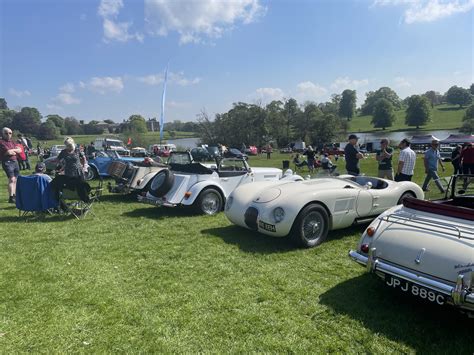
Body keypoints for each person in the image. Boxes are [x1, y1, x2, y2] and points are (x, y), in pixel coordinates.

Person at [51, 137, 90, 205]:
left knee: (80, 185)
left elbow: (83, 158)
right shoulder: (63, 152)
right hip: (69, 172)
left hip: (78, 171)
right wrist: (54, 163)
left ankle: (82, 199)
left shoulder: (77, 150)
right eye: (67, 145)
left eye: (69, 145)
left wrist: (83, 166)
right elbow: (58, 160)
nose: (68, 147)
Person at [0, 127, 21, 203]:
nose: (8, 135)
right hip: (7, 162)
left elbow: (20, 150)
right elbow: (8, 152)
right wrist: (13, 151)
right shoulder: (1, 142)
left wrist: (12, 150)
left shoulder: (12, 142)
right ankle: (11, 197)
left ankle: (14, 195)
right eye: (6, 133)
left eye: (10, 133)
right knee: (11, 179)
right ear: (3, 134)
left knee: (15, 179)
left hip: (15, 161)